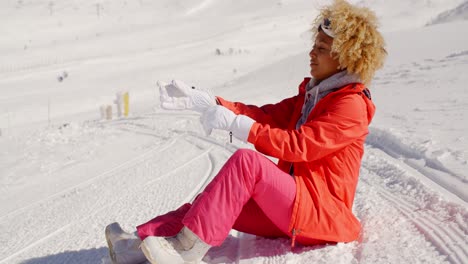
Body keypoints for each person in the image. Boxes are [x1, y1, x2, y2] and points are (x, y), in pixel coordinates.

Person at [104, 0, 387, 263]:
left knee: (247, 163)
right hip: (295, 208)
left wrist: (234, 125)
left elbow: (299, 146)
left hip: (323, 216)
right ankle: (138, 244)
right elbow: (264, 116)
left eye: (322, 48)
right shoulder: (313, 96)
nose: (312, 53)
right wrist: (211, 103)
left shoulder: (350, 105)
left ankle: (186, 249)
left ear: (347, 57)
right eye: (315, 45)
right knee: (215, 199)